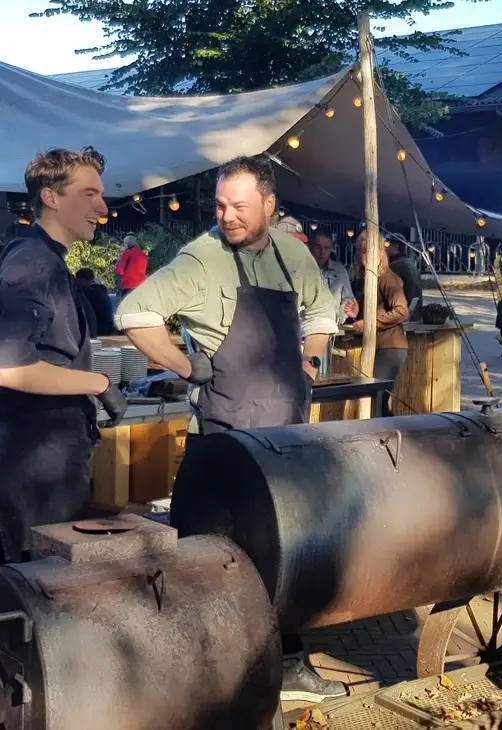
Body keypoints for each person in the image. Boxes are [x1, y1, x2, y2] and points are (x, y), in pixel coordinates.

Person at [114, 155, 346, 703]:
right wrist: (183, 364)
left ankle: (289, 665)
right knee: (222, 557)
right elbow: (134, 313)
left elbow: (320, 314)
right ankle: (209, 675)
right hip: (226, 441)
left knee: (292, 550)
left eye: (239, 206)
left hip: (288, 437)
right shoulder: (202, 259)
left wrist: (310, 363)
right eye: (221, 205)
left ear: (269, 204)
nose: (228, 216)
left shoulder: (293, 254)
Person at [0, 147, 127, 566]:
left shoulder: (46, 260)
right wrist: (99, 384)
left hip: (50, 456)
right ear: (50, 197)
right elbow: (8, 369)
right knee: (39, 587)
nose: (101, 208)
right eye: (89, 194)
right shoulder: (32, 263)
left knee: (47, 587)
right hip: (36, 461)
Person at [345, 231, 409, 417]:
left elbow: (402, 311)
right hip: (380, 346)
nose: (363, 257)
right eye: (360, 252)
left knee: (378, 399)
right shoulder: (370, 279)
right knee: (377, 400)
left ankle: (387, 438)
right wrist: (357, 315)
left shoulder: (387, 279)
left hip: (391, 348)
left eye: (368, 252)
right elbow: (372, 314)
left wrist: (369, 322)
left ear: (380, 253)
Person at [309, 229, 354, 323]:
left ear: (331, 248)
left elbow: (348, 299)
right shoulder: (302, 269)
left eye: (326, 248)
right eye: (318, 247)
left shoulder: (340, 271)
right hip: (307, 327)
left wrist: (339, 318)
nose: (322, 252)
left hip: (332, 328)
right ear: (310, 247)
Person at [386, 239, 423, 315]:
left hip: (403, 311)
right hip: (416, 310)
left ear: (396, 247)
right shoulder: (409, 263)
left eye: (387, 245)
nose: (385, 248)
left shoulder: (397, 265)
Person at [76, 268, 115, 336]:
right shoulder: (101, 290)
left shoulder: (89, 293)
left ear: (82, 279)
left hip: (98, 330)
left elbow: (89, 314)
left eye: (77, 280)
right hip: (109, 327)